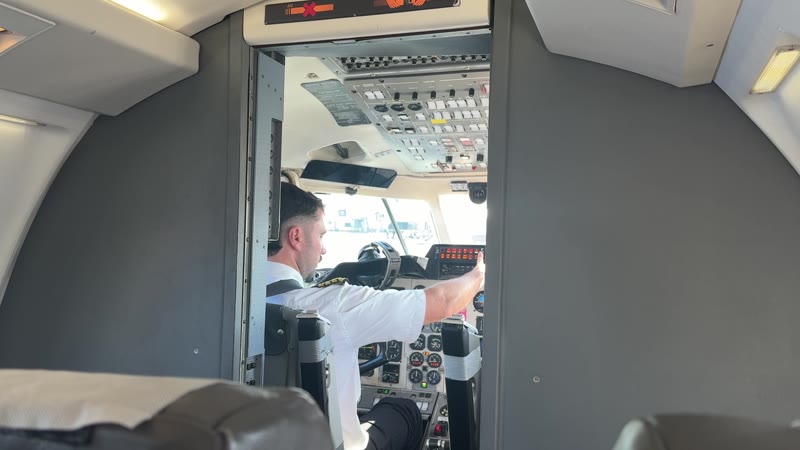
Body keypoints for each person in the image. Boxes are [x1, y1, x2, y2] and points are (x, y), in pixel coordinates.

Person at [266, 182, 485, 450]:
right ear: (296, 237)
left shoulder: (229, 307)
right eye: (321, 236)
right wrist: (478, 275)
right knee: (403, 410)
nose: (324, 249)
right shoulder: (333, 303)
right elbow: (443, 301)